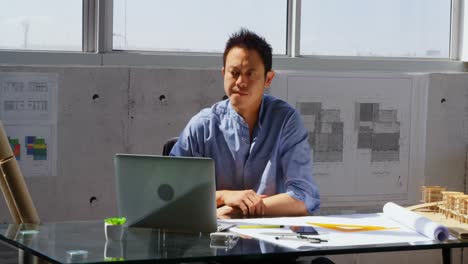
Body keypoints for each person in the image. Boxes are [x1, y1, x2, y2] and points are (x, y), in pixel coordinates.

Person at [170, 28, 319, 218]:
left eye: (250, 74)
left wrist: (237, 211)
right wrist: (225, 196)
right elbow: (172, 195)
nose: (241, 81)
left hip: (273, 242)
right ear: (224, 73)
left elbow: (304, 197)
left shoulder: (286, 121)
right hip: (212, 240)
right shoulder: (202, 126)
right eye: (234, 73)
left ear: (268, 79)